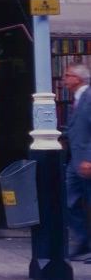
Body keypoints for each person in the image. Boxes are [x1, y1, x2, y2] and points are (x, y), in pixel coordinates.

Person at [65, 64, 91, 261]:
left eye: (68, 75)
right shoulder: (76, 99)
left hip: (86, 162)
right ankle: (83, 241)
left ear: (78, 78)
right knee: (69, 200)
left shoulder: (89, 97)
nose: (64, 79)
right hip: (75, 161)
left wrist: (89, 159)